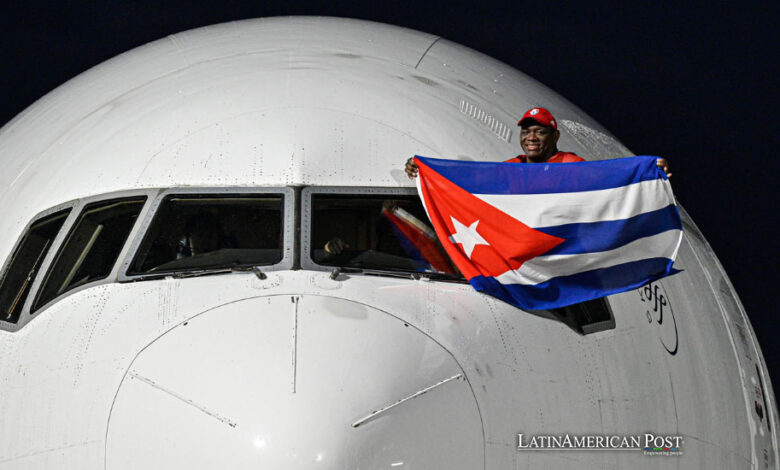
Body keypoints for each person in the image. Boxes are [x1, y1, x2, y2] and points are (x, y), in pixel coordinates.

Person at [405, 107, 672, 177]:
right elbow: (473, 177)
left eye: (540, 132)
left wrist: (646, 169)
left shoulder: (569, 163)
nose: (530, 137)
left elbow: (606, 176)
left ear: (555, 136)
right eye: (526, 132)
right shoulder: (513, 166)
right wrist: (426, 170)